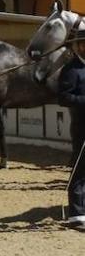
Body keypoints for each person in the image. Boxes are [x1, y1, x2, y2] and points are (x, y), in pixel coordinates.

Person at [56, 36, 85, 228]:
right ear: (79, 46)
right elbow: (63, 97)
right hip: (82, 126)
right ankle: (76, 214)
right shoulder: (70, 70)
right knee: (80, 169)